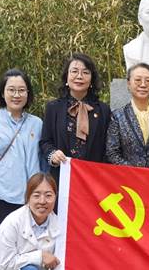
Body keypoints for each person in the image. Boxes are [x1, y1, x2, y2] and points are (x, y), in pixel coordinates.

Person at [0, 68, 43, 256]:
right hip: (0, 198)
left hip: (29, 199)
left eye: (21, 90)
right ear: (3, 93)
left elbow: (41, 160)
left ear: (28, 93)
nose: (16, 95)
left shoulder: (37, 123)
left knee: (27, 248)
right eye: (11, 90)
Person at [40, 53, 110, 187]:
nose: (79, 76)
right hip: (62, 179)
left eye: (85, 72)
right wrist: (52, 155)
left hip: (94, 182)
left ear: (92, 79)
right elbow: (45, 142)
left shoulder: (103, 110)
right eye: (74, 71)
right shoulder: (53, 108)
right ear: (67, 76)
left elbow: (108, 148)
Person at [106, 63, 149, 169]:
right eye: (138, 80)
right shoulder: (118, 116)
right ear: (128, 83)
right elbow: (112, 152)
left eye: (148, 81)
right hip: (128, 176)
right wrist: (135, 172)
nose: (143, 85)